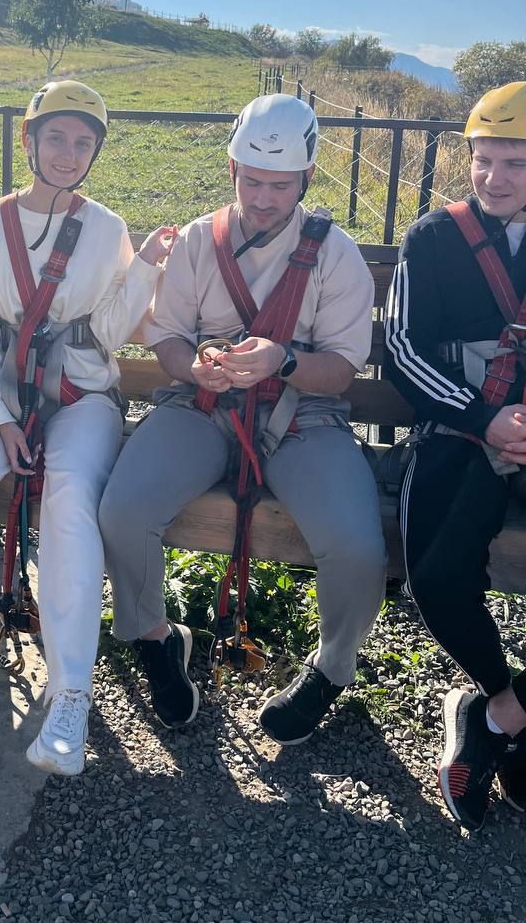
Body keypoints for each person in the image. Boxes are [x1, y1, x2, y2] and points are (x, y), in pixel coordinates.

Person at [99, 93, 387, 744]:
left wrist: (283, 361)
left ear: (305, 178)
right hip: (202, 408)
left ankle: (331, 669)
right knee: (123, 511)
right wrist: (193, 368)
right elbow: (169, 338)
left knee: (359, 548)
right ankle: (155, 637)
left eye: (280, 185)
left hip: (302, 417)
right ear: (232, 169)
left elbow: (340, 370)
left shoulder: (335, 254)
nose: (262, 198)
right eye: (251, 181)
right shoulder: (199, 242)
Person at [0, 80, 175, 776]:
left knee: (69, 500)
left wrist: (145, 268)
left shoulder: (108, 229)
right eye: (56, 137)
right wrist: (0, 419)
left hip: (82, 399)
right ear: (29, 141)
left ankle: (70, 696)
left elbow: (108, 335)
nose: (68, 153)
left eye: (83, 143)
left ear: (95, 153)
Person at [385, 81, 526, 830]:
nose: (495, 178)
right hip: (460, 429)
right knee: (436, 577)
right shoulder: (434, 238)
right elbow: (402, 350)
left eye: (517, 163)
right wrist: (484, 417)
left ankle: (499, 721)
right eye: (484, 159)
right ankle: (500, 705)